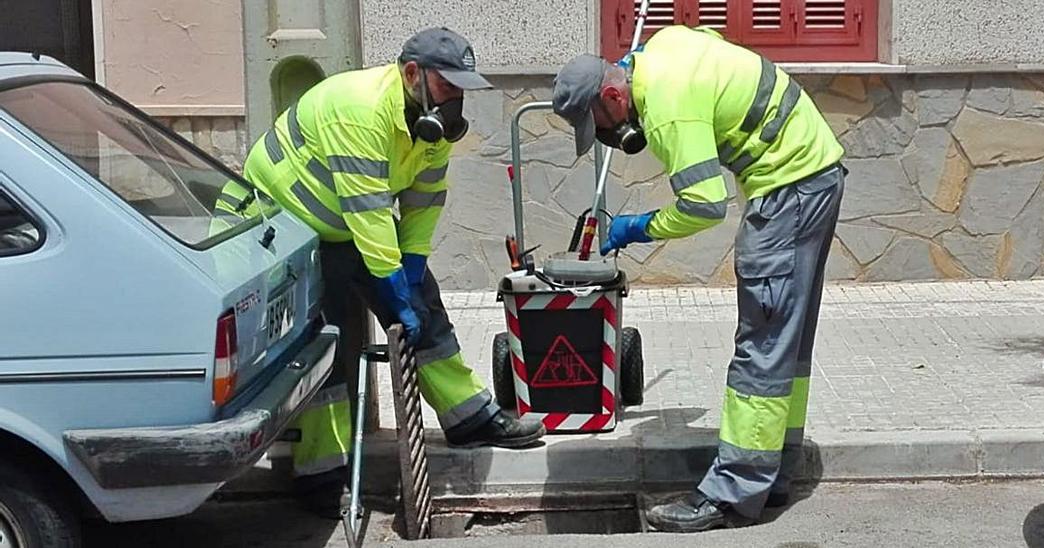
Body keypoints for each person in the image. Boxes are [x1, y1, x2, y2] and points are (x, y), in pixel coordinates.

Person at [551, 25, 846, 532]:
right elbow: (708, 40)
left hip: (787, 190)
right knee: (785, 340)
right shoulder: (661, 49)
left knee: (763, 341)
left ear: (614, 94)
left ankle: (734, 491)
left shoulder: (668, 111)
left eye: (600, 124)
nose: (605, 137)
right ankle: (773, 471)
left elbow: (706, 204)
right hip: (813, 174)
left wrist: (639, 227)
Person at [240, 27, 545, 517]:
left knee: (425, 304)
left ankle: (468, 418)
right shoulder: (359, 110)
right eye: (448, 86)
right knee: (330, 338)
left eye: (462, 88)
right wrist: (393, 285)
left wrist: (413, 265)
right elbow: (368, 210)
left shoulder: (432, 124)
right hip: (291, 224)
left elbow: (422, 201)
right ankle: (321, 474)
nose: (456, 99)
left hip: (348, 224)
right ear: (411, 75)